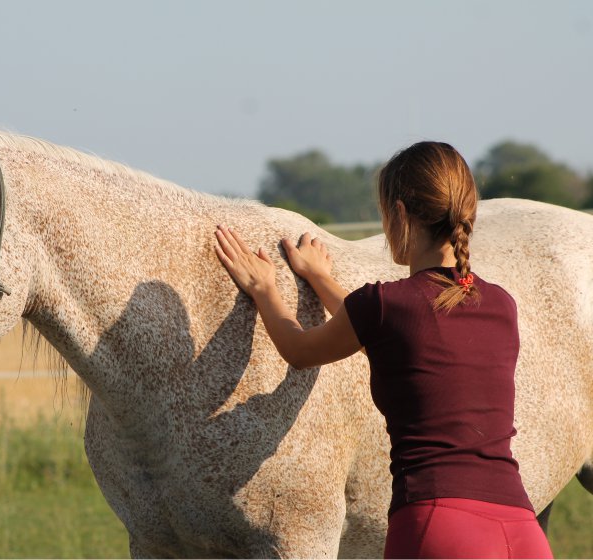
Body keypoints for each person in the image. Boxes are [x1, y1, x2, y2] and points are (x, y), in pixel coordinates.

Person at [214, 141, 553, 559]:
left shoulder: (385, 304)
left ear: (399, 213)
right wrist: (321, 279)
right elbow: (396, 333)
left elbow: (300, 350)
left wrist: (265, 289)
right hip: (521, 531)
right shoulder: (501, 304)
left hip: (438, 527)